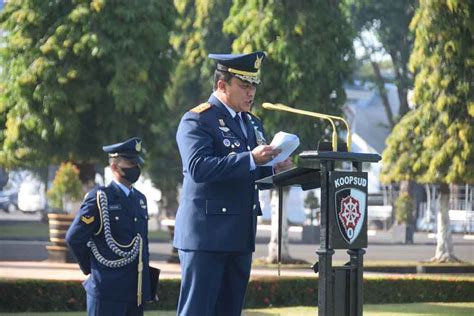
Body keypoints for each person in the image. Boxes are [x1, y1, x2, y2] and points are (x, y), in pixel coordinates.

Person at [174, 51, 292, 316]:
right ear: (222, 85)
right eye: (244, 86)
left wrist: (275, 167)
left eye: (254, 87)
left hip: (239, 235)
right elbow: (198, 168)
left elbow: (249, 174)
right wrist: (250, 158)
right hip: (207, 237)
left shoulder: (251, 123)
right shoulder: (197, 119)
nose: (251, 93)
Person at [66, 137, 154, 316]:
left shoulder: (140, 199)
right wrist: (92, 268)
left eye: (136, 163)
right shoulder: (100, 198)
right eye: (130, 163)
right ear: (114, 166)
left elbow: (142, 245)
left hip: (135, 291)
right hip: (107, 289)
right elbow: (74, 238)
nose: (135, 168)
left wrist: (146, 285)